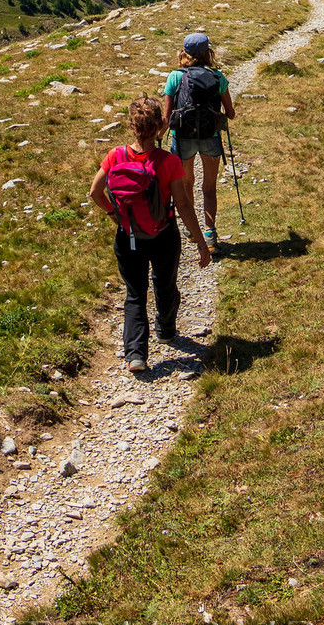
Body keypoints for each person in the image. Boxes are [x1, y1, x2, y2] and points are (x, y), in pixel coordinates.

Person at [90, 95, 210, 377]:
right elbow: (183, 205)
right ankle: (166, 331)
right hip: (163, 236)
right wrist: (201, 243)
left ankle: (135, 355)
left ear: (132, 127)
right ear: (160, 127)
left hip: (127, 236)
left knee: (135, 295)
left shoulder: (114, 156)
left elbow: (95, 193)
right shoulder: (168, 161)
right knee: (165, 286)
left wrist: (114, 215)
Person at [163, 29, 234, 253]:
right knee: (209, 187)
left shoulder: (175, 77)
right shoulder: (218, 77)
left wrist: (154, 137)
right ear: (207, 53)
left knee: (186, 184)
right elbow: (230, 114)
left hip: (183, 138)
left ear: (184, 52)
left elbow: (166, 117)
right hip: (210, 137)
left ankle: (192, 230)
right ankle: (210, 234)